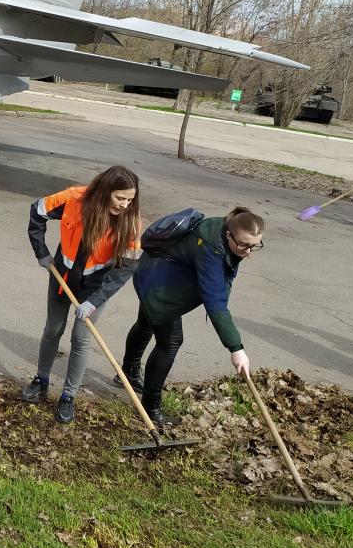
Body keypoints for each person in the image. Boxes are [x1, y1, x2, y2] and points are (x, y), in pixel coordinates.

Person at [119, 206, 264, 425]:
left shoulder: (229, 233)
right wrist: (236, 348)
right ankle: (150, 406)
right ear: (228, 234)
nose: (248, 251)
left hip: (156, 272)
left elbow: (223, 281)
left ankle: (128, 372)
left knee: (146, 322)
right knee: (170, 341)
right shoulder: (212, 249)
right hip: (159, 284)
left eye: (254, 246)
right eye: (244, 244)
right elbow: (214, 301)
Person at [23, 166, 142, 424]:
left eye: (130, 199)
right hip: (62, 276)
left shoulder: (130, 221)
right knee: (53, 330)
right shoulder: (74, 198)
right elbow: (38, 210)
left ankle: (68, 396)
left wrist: (95, 301)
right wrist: (41, 252)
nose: (124, 205)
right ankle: (41, 380)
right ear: (105, 191)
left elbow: (128, 268)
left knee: (81, 338)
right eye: (120, 198)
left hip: (96, 287)